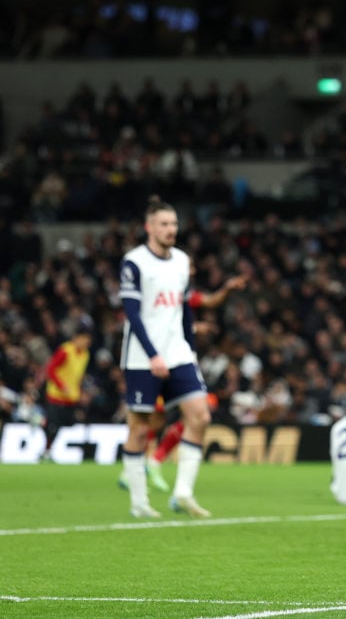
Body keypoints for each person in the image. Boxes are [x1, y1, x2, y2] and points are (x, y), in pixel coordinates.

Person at [118, 196, 212, 519]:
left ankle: (183, 493)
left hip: (178, 353)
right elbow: (132, 314)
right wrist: (153, 354)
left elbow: (183, 308)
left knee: (200, 416)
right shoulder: (134, 262)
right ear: (149, 227)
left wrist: (191, 348)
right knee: (140, 431)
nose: (171, 229)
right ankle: (139, 503)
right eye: (164, 224)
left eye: (174, 224)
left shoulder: (182, 261)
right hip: (142, 358)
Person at [143, 273, 248, 489]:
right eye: (188, 266)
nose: (191, 270)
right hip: (171, 360)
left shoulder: (185, 295)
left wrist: (227, 287)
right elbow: (158, 325)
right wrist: (193, 328)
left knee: (187, 415)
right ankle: (149, 465)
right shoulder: (162, 295)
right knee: (173, 416)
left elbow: (210, 301)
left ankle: (150, 463)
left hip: (180, 359)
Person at [42, 318, 93, 460]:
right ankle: (47, 451)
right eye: (85, 339)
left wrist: (81, 392)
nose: (87, 342)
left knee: (69, 423)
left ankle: (41, 422)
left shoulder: (85, 355)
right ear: (77, 338)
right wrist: (61, 386)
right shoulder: (65, 350)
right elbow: (51, 369)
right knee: (54, 426)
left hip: (72, 397)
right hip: (56, 395)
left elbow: (79, 376)